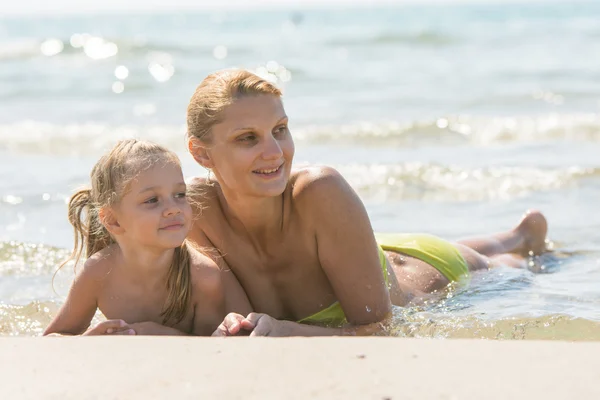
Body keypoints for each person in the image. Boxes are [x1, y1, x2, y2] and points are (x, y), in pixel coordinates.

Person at [186, 69, 550, 337]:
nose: (275, 152)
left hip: (427, 271)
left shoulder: (319, 191)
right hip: (363, 251)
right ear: (201, 154)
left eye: (280, 129)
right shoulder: (195, 210)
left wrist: (288, 332)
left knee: (508, 263)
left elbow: (380, 329)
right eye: (248, 138)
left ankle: (521, 236)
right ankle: (518, 233)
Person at [44, 139, 251, 336]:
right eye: (152, 200)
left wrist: (159, 334)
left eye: (179, 195)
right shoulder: (98, 272)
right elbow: (53, 337)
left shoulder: (202, 276)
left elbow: (211, 345)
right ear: (113, 220)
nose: (173, 209)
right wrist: (89, 339)